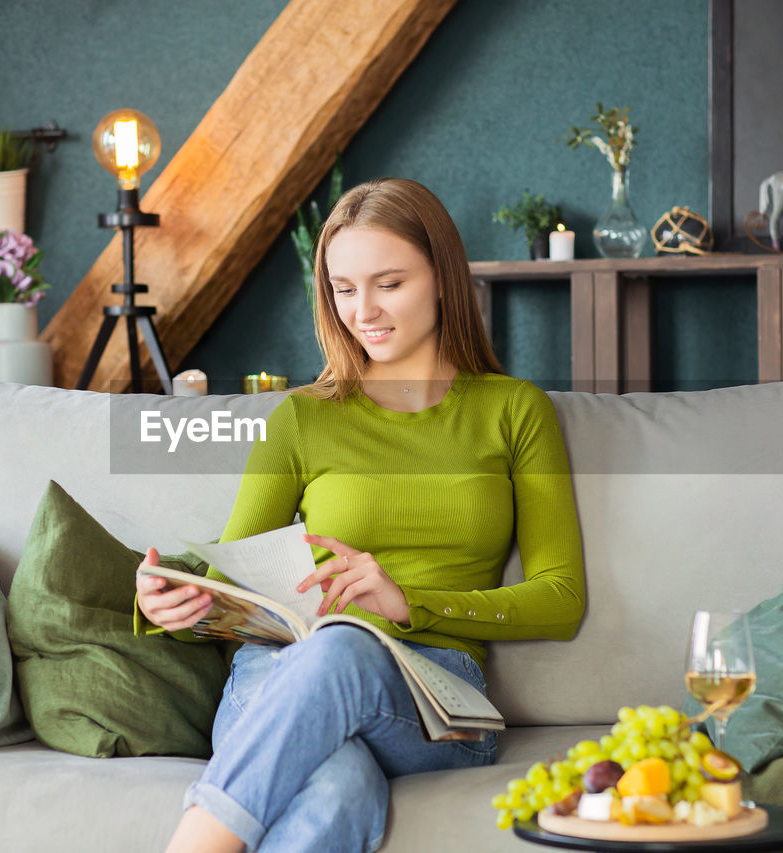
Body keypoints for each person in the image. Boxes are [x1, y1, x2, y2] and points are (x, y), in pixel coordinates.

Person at [136, 177, 585, 853]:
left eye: (388, 283)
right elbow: (230, 570)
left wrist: (410, 606)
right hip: (279, 672)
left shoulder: (514, 410)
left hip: (433, 698)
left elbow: (562, 598)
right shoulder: (301, 417)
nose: (363, 311)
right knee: (339, 790)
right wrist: (172, 596)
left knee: (345, 642)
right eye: (343, 289)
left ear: (442, 277)